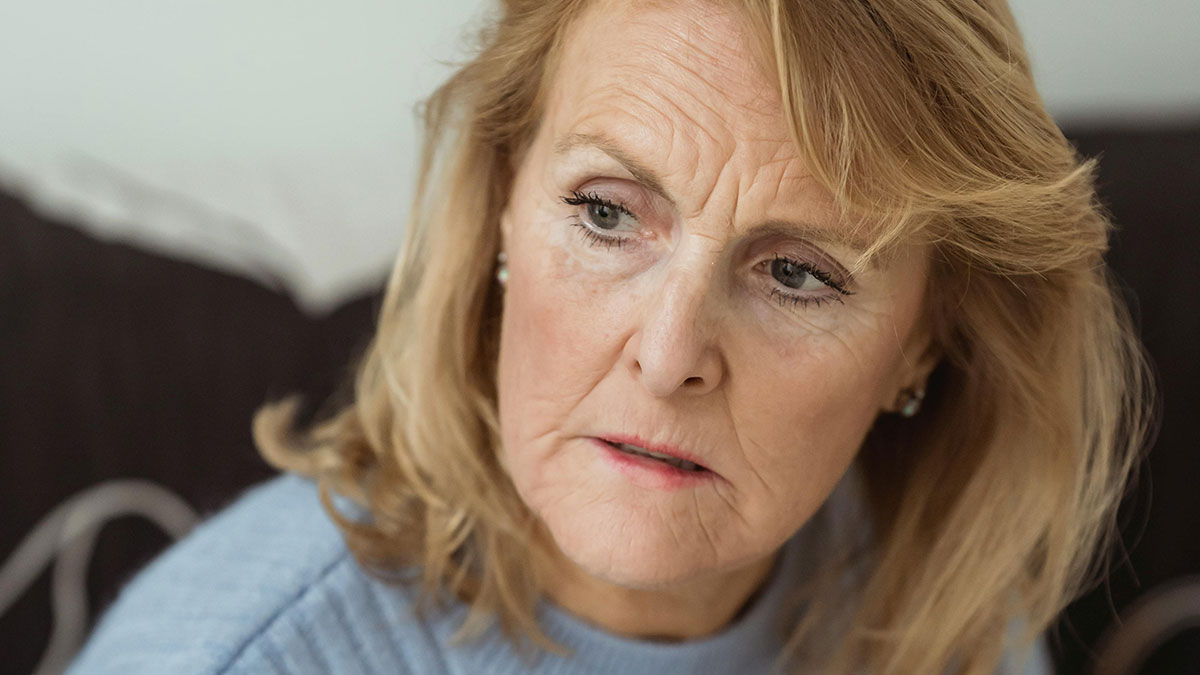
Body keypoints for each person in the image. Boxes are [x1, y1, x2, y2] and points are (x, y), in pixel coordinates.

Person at [68, 0, 1155, 672]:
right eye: (605, 214)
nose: (669, 354)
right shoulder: (234, 656)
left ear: (923, 341)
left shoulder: (943, 611)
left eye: (797, 274)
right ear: (501, 200)